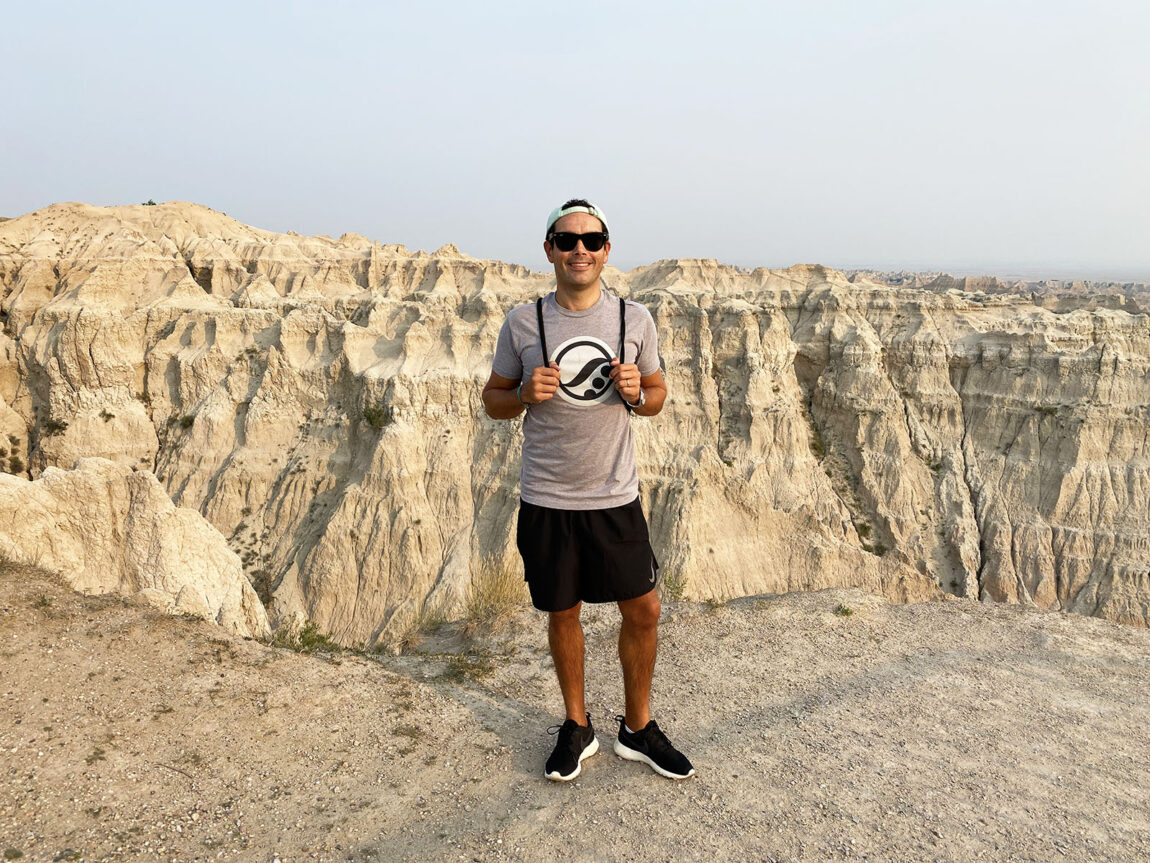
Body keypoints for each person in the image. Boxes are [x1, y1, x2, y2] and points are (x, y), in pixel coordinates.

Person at [481, 199, 695, 782]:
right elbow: (492, 401)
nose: (580, 250)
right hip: (548, 498)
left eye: (592, 240)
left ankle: (637, 727)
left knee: (644, 609)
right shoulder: (524, 323)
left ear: (607, 250)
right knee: (563, 611)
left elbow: (655, 397)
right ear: (548, 249)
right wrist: (524, 393)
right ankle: (577, 726)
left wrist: (637, 392)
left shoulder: (634, 320)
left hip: (615, 496)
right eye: (567, 240)